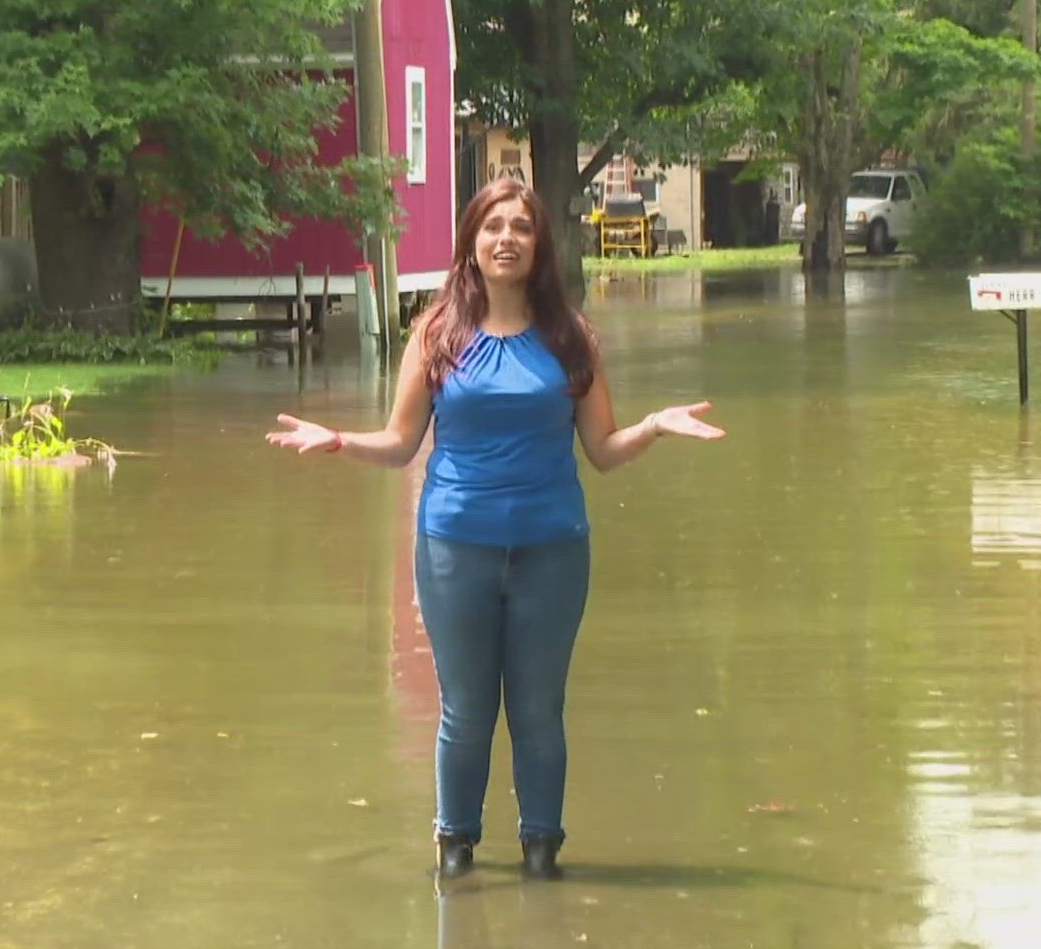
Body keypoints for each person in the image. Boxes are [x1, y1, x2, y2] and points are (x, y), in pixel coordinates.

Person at [266, 178, 724, 880]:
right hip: (456, 547)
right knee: (467, 708)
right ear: (471, 242)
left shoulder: (572, 338)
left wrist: (654, 426)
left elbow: (601, 452)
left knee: (540, 709)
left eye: (521, 228)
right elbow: (399, 443)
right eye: (492, 227)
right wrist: (336, 440)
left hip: (552, 548)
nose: (506, 238)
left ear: (539, 245)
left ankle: (543, 853)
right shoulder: (435, 334)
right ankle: (457, 852)